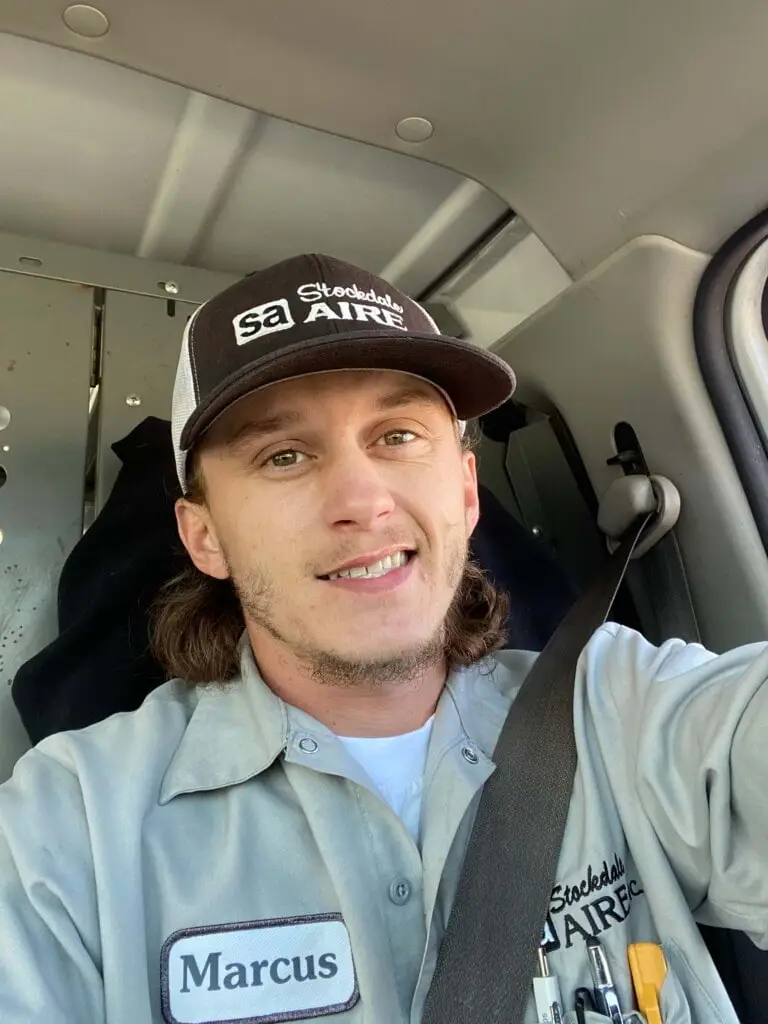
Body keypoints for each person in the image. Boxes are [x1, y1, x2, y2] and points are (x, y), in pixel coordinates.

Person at [0, 253, 765, 1024]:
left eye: (397, 435)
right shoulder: (64, 828)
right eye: (284, 455)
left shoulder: (620, 705)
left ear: (465, 492)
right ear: (205, 537)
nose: (363, 501)